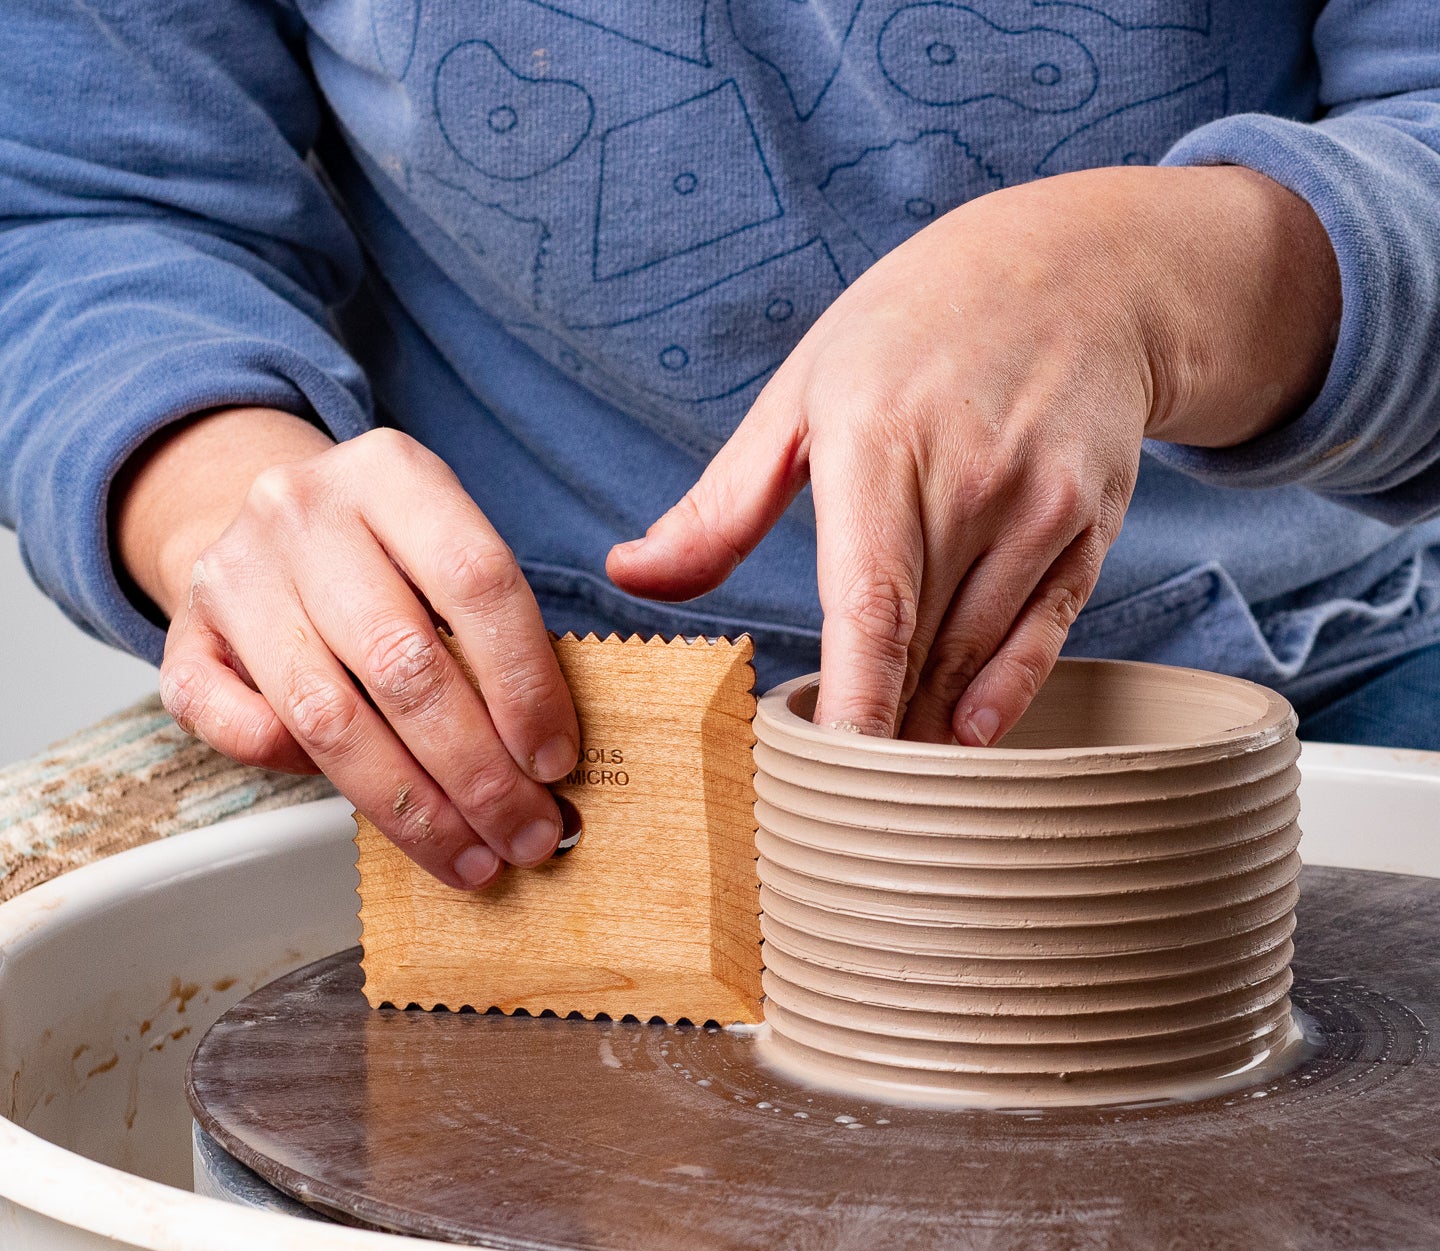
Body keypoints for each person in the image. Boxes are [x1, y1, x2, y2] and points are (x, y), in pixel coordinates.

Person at [1, 2, 1437, 892]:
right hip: (505, 732)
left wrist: (1153, 285)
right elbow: (89, 199)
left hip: (1325, 663)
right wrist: (219, 492)